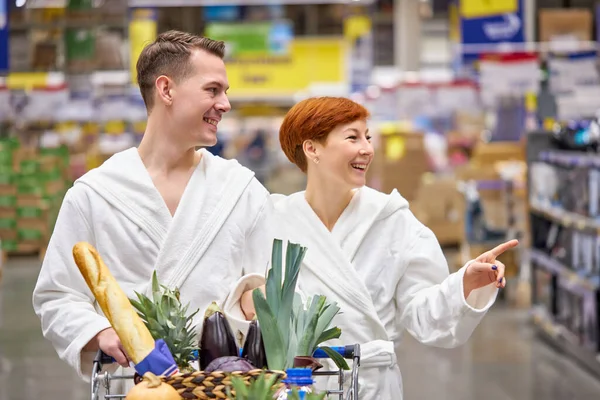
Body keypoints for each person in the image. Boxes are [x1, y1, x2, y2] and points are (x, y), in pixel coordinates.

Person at [32, 30, 272, 386]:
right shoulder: (95, 194)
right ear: (166, 89)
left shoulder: (242, 190)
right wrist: (99, 332)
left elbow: (273, 288)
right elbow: (57, 295)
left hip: (224, 387)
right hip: (134, 385)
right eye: (212, 90)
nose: (225, 104)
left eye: (225, 92)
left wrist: (260, 301)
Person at [238, 96, 518, 399]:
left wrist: (464, 284)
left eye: (367, 137)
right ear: (312, 148)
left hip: (371, 386)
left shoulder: (390, 218)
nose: (367, 149)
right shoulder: (275, 220)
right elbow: (244, 304)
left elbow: (424, 315)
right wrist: (250, 300)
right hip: (298, 386)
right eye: (353, 137)